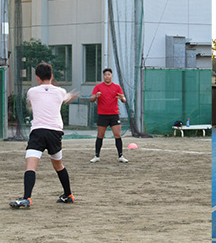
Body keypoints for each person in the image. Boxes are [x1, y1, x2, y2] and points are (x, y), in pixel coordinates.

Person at [10, 62, 80, 209]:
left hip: (38, 131)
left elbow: (31, 102)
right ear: (52, 76)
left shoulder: (32, 91)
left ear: (37, 77)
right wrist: (70, 96)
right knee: (58, 165)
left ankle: (27, 198)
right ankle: (68, 195)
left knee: (31, 165)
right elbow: (67, 98)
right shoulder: (60, 91)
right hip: (55, 132)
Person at [89, 68, 128, 163]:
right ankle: (97, 156)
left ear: (112, 76)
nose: (107, 76)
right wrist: (95, 96)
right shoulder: (98, 87)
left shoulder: (117, 87)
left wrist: (121, 98)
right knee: (100, 135)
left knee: (117, 135)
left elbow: (124, 99)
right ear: (103, 76)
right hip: (102, 115)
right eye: (105, 74)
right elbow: (91, 99)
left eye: (109, 74)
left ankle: (120, 156)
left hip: (114, 114)